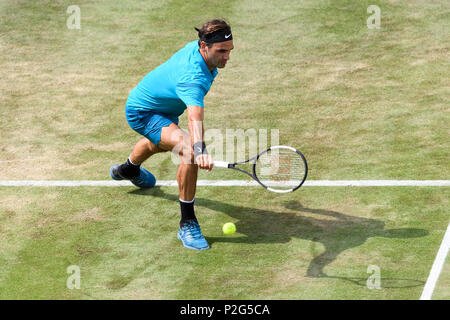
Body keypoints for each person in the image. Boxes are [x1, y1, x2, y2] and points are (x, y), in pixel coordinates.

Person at [110, 19, 234, 250]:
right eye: (221, 52)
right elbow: (194, 117)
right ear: (204, 47)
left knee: (161, 142)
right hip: (143, 112)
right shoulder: (193, 77)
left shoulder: (201, 50)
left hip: (163, 107)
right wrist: (200, 150)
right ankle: (187, 223)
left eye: (229, 51)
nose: (227, 57)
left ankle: (128, 169)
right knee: (187, 149)